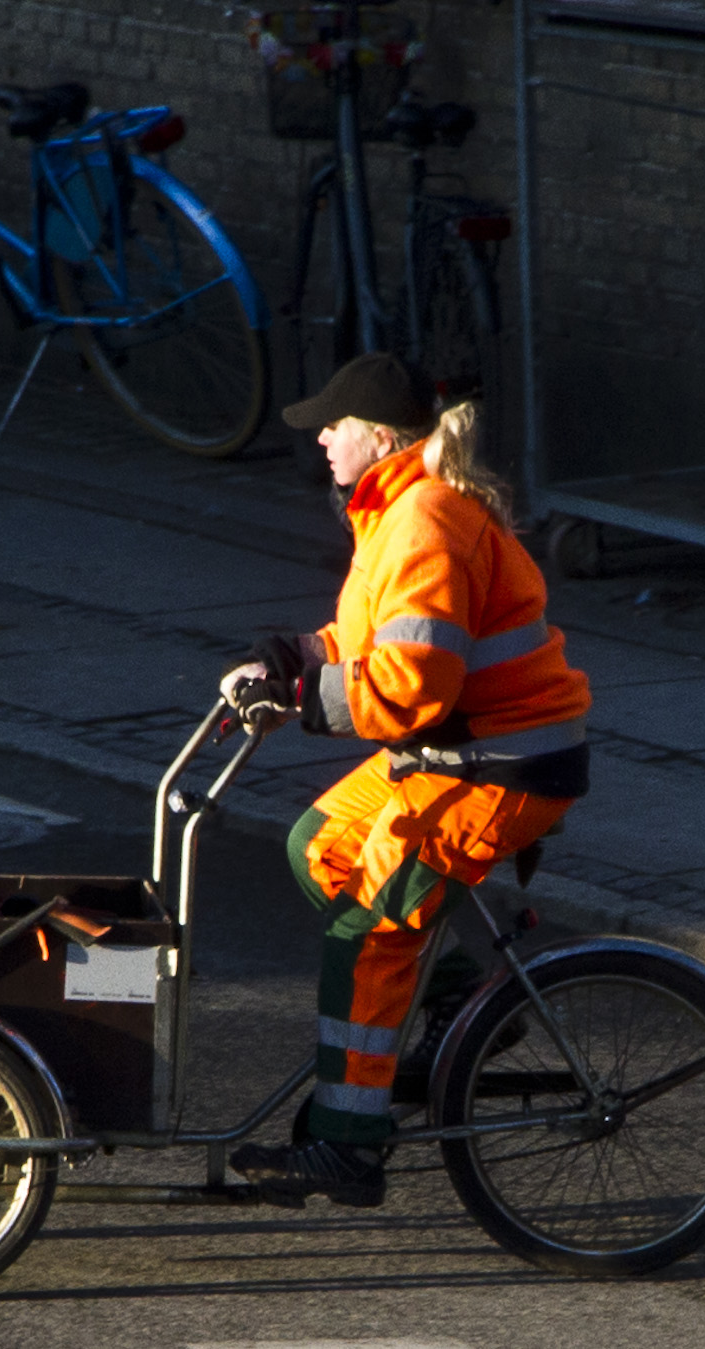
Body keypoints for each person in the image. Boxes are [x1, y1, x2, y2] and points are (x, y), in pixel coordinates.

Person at [221, 352, 590, 1210]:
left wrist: (304, 701)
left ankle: (348, 1146)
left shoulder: (424, 519)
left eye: (334, 423)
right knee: (319, 846)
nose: (321, 435)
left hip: (500, 767)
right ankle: (467, 1000)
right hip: (458, 756)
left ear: (380, 436)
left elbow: (416, 683)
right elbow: (371, 634)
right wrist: (294, 658)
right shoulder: (392, 512)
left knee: (368, 937)